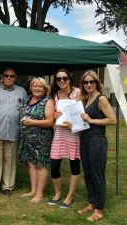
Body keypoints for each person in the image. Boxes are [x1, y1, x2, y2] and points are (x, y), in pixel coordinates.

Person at [78, 70, 116, 222]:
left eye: (91, 81)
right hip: (85, 139)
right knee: (88, 173)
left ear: (96, 83)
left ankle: (99, 209)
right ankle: (92, 202)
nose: (88, 84)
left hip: (97, 140)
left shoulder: (101, 99)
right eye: (85, 82)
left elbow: (113, 120)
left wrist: (92, 120)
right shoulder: (86, 98)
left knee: (97, 173)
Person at [0, 68, 27, 197]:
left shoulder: (22, 91)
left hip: (14, 132)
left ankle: (7, 186)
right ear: (2, 77)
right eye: (6, 76)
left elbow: (25, 111)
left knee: (10, 159)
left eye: (11, 76)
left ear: (15, 77)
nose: (9, 78)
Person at [48, 69, 81, 208]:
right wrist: (54, 115)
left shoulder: (78, 93)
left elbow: (82, 111)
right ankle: (57, 193)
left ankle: (70, 196)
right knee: (54, 165)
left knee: (74, 165)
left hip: (74, 133)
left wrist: (75, 120)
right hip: (60, 134)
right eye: (58, 79)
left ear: (69, 79)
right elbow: (52, 113)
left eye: (64, 78)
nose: (62, 81)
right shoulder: (54, 95)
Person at [19, 77, 54, 203]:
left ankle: (39, 194)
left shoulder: (47, 101)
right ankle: (33, 191)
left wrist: (32, 122)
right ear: (31, 87)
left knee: (41, 164)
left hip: (41, 139)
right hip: (27, 139)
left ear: (45, 89)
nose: (37, 88)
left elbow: (50, 122)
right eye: (35, 86)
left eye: (40, 86)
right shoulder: (28, 99)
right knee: (31, 164)